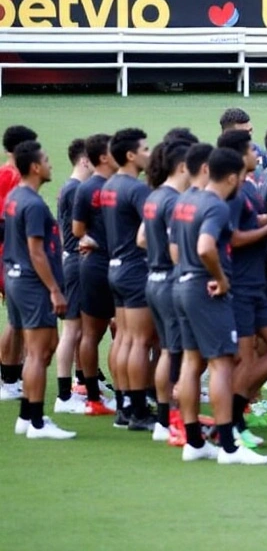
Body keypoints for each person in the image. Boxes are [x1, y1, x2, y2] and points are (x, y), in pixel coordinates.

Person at [171, 147, 267, 465]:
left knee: (190, 362)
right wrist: (219, 278)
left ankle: (194, 442)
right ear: (232, 176)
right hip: (206, 290)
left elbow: (175, 246)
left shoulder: (186, 199)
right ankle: (228, 446)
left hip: (182, 284)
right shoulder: (215, 205)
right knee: (221, 364)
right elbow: (205, 247)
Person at [217, 130, 267, 448]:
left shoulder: (248, 187)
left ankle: (237, 407)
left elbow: (250, 222)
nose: (256, 154)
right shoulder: (232, 194)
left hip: (258, 285)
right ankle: (233, 423)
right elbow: (232, 237)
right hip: (240, 286)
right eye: (250, 149)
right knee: (243, 360)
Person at [5, 140, 75, 439]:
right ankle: (35, 422)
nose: (50, 164)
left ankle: (26, 416)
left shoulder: (15, 197)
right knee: (36, 353)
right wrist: (55, 291)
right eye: (46, 160)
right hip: (32, 283)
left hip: (15, 278)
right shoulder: (32, 204)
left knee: (43, 349)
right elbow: (36, 252)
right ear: (34, 167)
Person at [102, 127, 155, 431]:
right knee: (139, 340)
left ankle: (124, 405)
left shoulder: (110, 185)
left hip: (115, 267)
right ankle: (137, 410)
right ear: (132, 155)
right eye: (145, 149)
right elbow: (148, 233)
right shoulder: (136, 190)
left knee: (123, 338)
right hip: (136, 270)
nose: (149, 154)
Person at [140, 141, 193, 443]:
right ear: (183, 166)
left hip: (153, 278)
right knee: (175, 352)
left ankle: (164, 419)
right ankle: (170, 420)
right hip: (171, 281)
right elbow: (177, 250)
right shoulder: (173, 201)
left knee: (166, 349)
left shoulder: (154, 196)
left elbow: (141, 239)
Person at [72, 133, 120, 416]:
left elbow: (78, 230)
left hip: (92, 264)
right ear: (103, 157)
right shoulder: (121, 187)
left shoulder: (85, 188)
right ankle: (127, 393)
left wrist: (93, 240)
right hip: (120, 265)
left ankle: (93, 398)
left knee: (91, 333)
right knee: (124, 334)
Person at [52, 139, 91, 414]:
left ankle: (75, 387)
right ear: (84, 160)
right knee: (72, 330)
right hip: (75, 261)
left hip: (71, 260)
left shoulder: (69, 188)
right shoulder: (76, 190)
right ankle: (64, 396)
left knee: (76, 330)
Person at [1, 125, 39, 402]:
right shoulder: (12, 177)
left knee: (17, 320)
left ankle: (12, 375)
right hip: (10, 255)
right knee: (18, 321)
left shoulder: (5, 173)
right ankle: (9, 379)